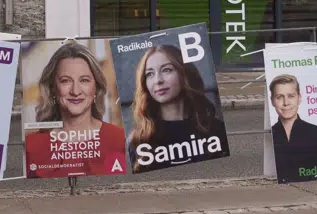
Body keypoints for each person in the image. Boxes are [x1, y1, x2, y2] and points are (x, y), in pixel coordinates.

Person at [25, 41, 126, 177]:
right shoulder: (32, 146)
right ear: (53, 88)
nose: (76, 91)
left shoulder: (118, 139)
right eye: (66, 81)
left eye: (84, 80)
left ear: (96, 87)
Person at [125, 43, 228, 172]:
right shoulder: (138, 140)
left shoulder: (216, 129)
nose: (158, 80)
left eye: (166, 70)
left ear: (184, 74)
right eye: (150, 74)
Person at [269, 73, 317, 183]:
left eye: (291, 96)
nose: (286, 103)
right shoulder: (268, 135)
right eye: (279, 97)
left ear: (299, 98)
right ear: (272, 101)